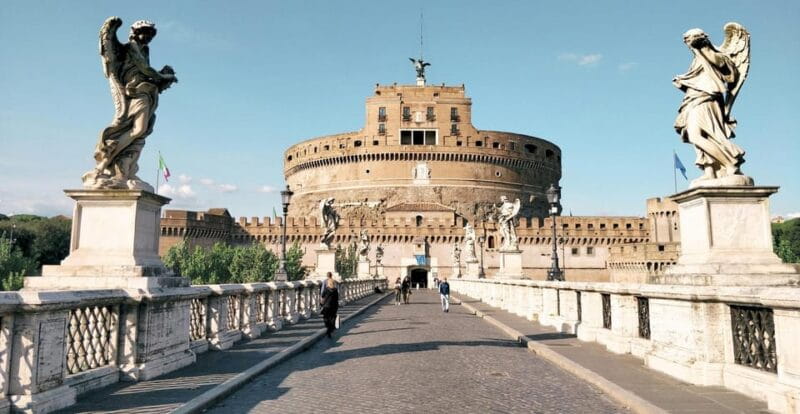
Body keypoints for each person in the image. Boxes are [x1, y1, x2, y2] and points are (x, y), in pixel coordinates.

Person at [320, 273, 339, 338]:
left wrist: (321, 303)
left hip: (326, 306)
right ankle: (330, 328)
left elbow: (322, 297)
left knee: (326, 317)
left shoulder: (326, 289)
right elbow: (337, 298)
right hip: (334, 305)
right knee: (332, 317)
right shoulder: (335, 290)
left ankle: (328, 327)